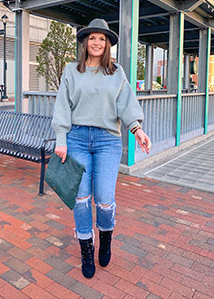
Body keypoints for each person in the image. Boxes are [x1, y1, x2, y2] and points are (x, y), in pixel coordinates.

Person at [52, 18, 151, 279]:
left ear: (107, 44)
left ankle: (105, 237)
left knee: (105, 198)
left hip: (107, 141)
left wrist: (137, 129)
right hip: (77, 139)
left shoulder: (116, 72)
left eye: (102, 39)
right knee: (81, 198)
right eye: (92, 38)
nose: (97, 42)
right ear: (85, 42)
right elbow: (63, 105)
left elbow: (126, 104)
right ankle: (86, 246)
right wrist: (61, 138)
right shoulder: (71, 70)